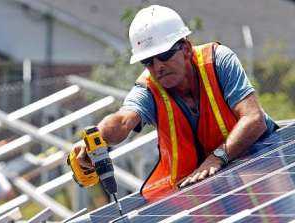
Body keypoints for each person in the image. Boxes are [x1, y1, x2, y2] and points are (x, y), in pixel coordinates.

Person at [74, 5, 278, 201]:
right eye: (148, 61)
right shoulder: (149, 89)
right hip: (202, 188)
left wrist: (218, 157)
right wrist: (96, 138)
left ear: (186, 48)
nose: (157, 67)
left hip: (262, 163)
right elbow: (123, 120)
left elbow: (254, 118)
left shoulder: (218, 61)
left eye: (164, 55)